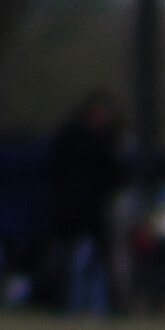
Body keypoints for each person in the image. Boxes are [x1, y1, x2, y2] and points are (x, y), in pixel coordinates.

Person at [44, 93, 122, 315]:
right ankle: (85, 306)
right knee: (84, 260)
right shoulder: (96, 142)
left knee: (83, 260)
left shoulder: (68, 138)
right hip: (84, 211)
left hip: (75, 209)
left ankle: (82, 306)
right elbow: (111, 174)